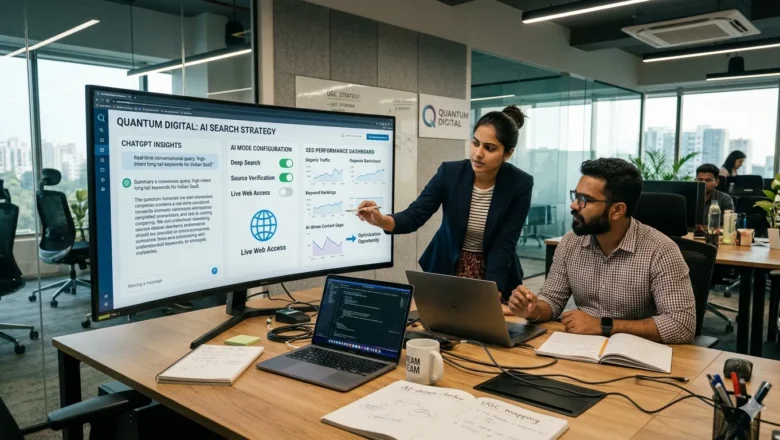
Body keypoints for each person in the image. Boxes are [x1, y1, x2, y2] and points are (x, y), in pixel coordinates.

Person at [357, 105, 533, 308]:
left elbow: (504, 243)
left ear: (507, 153)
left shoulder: (519, 184)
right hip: (448, 266)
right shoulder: (450, 173)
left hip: (495, 270)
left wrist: (493, 294)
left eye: (489, 148)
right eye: (475, 143)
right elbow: (416, 214)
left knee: (487, 332)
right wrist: (382, 220)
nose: (477, 154)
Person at [507, 158, 696, 344]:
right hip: (581, 349)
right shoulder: (570, 243)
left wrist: (604, 326)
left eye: (585, 200)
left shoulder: (661, 250)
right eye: (576, 196)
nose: (574, 206)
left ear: (617, 210)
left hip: (636, 354)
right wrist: (533, 310)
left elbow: (681, 325)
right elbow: (552, 300)